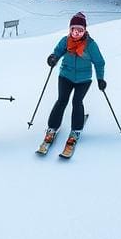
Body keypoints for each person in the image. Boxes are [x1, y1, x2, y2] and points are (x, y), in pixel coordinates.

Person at [41, 11, 106, 152]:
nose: (76, 33)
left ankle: (75, 131)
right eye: (74, 30)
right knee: (62, 100)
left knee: (77, 101)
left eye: (80, 30)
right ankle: (51, 128)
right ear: (70, 30)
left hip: (83, 79)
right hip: (65, 75)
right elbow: (57, 52)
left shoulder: (90, 45)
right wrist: (53, 58)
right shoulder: (65, 40)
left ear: (85, 30)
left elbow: (99, 62)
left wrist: (100, 79)